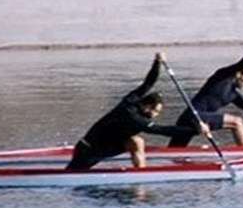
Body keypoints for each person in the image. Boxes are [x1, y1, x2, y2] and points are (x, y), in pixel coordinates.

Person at [66, 52, 208, 171]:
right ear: (147, 107)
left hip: (108, 145)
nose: (156, 115)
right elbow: (164, 130)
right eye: (156, 112)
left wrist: (157, 62)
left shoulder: (130, 100)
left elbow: (148, 84)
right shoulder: (135, 119)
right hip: (89, 150)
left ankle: (140, 172)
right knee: (72, 172)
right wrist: (194, 130)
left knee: (137, 141)